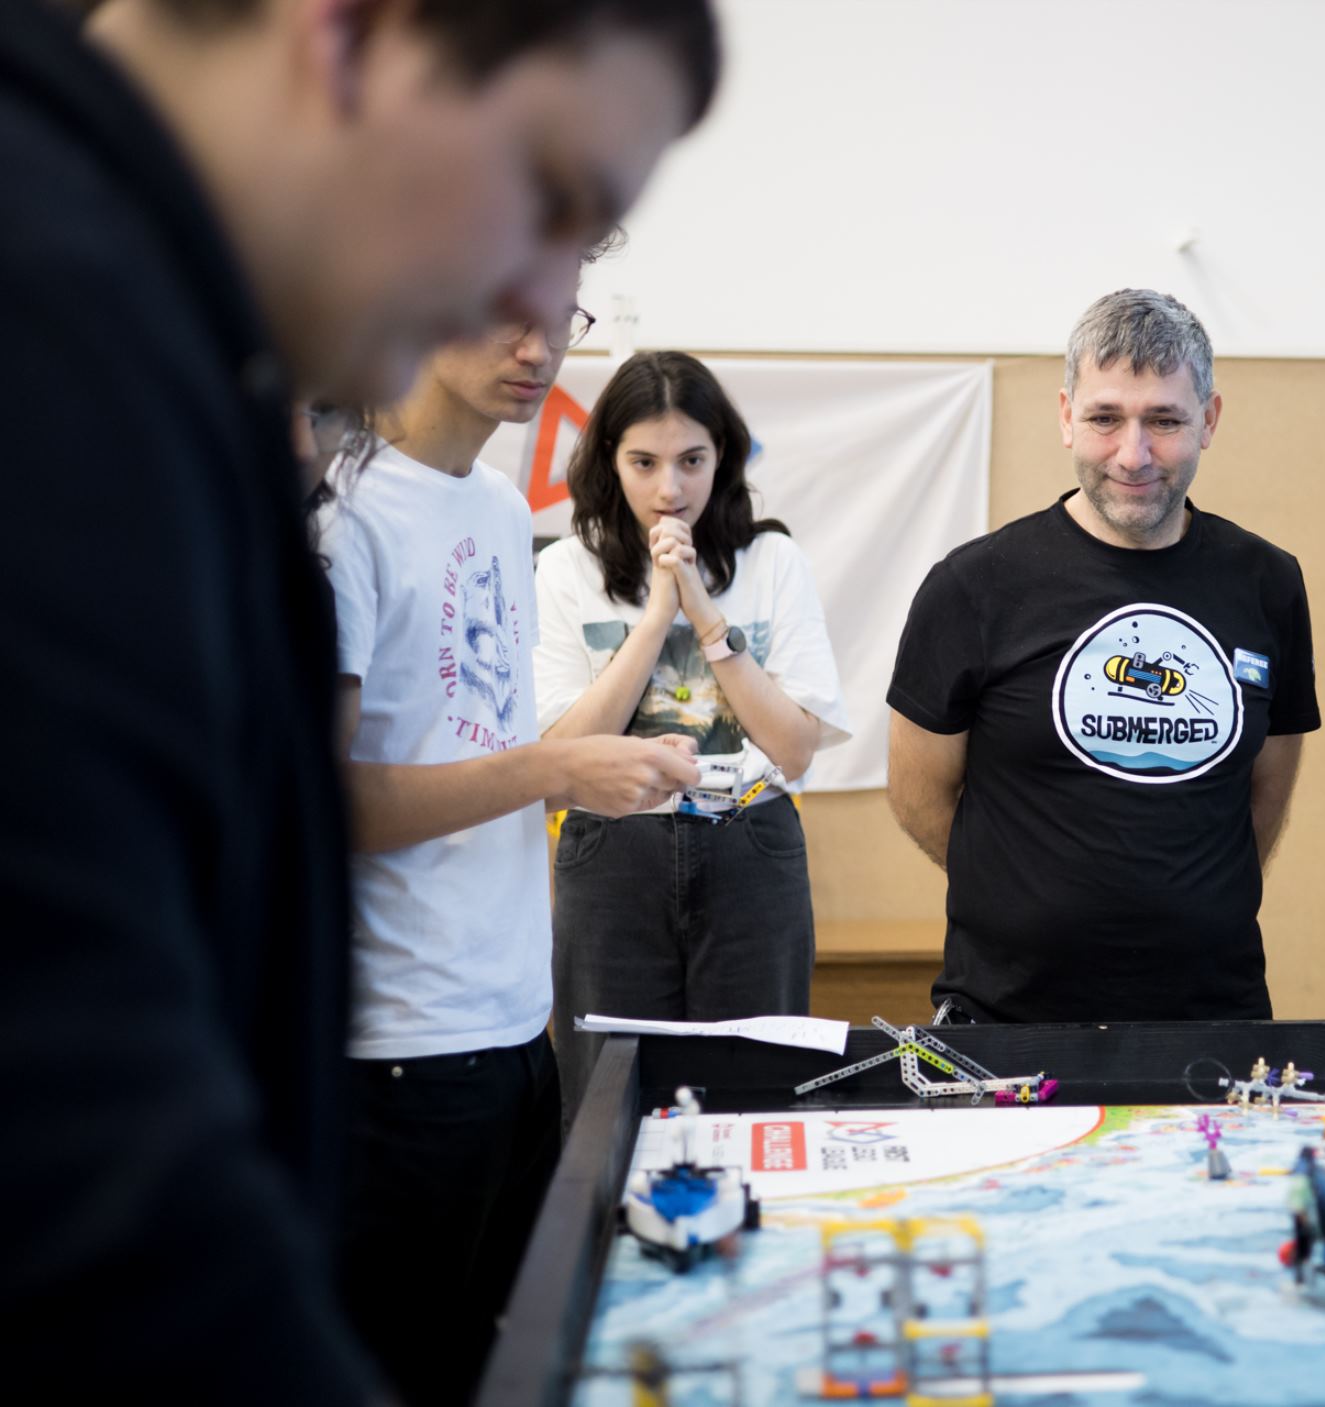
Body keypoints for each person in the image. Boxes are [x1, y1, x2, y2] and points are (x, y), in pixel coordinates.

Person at [0, 0, 718, 1396]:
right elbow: (78, 1117)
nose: (530, 307)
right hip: (388, 1069)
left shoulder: (184, 350)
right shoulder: (62, 329)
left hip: (491, 1030)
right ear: (351, 38)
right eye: (540, 193)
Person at [320, 308, 705, 1401]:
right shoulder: (341, 517)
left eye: (559, 314)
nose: (537, 349)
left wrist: (594, 770)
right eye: (504, 310)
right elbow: (318, 803)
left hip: (513, 1027)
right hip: (395, 1050)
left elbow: (471, 748)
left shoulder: (494, 504)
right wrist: (553, 770)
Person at [886, 288, 1320, 1024]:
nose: (1133, 454)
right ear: (1066, 417)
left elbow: (1263, 795)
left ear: (1209, 420)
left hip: (1214, 1014)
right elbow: (917, 793)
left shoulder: (1268, 584)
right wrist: (1018, 903)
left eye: (1165, 420)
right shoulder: (973, 586)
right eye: (1105, 418)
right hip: (1009, 1015)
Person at [535, 351, 851, 1128]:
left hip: (751, 839)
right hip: (612, 847)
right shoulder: (567, 568)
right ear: (610, 461)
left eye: (692, 461)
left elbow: (793, 748)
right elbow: (562, 755)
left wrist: (705, 614)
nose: (669, 489)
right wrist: (655, 617)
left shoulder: (772, 560)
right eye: (644, 462)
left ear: (723, 459)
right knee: (604, 1101)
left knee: (757, 1093)